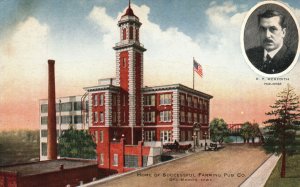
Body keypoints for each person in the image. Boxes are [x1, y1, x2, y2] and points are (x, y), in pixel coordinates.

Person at [246, 10, 296, 74]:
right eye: (263, 29)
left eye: (273, 29)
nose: (267, 35)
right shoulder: (250, 55)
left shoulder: (292, 59)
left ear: (283, 32)